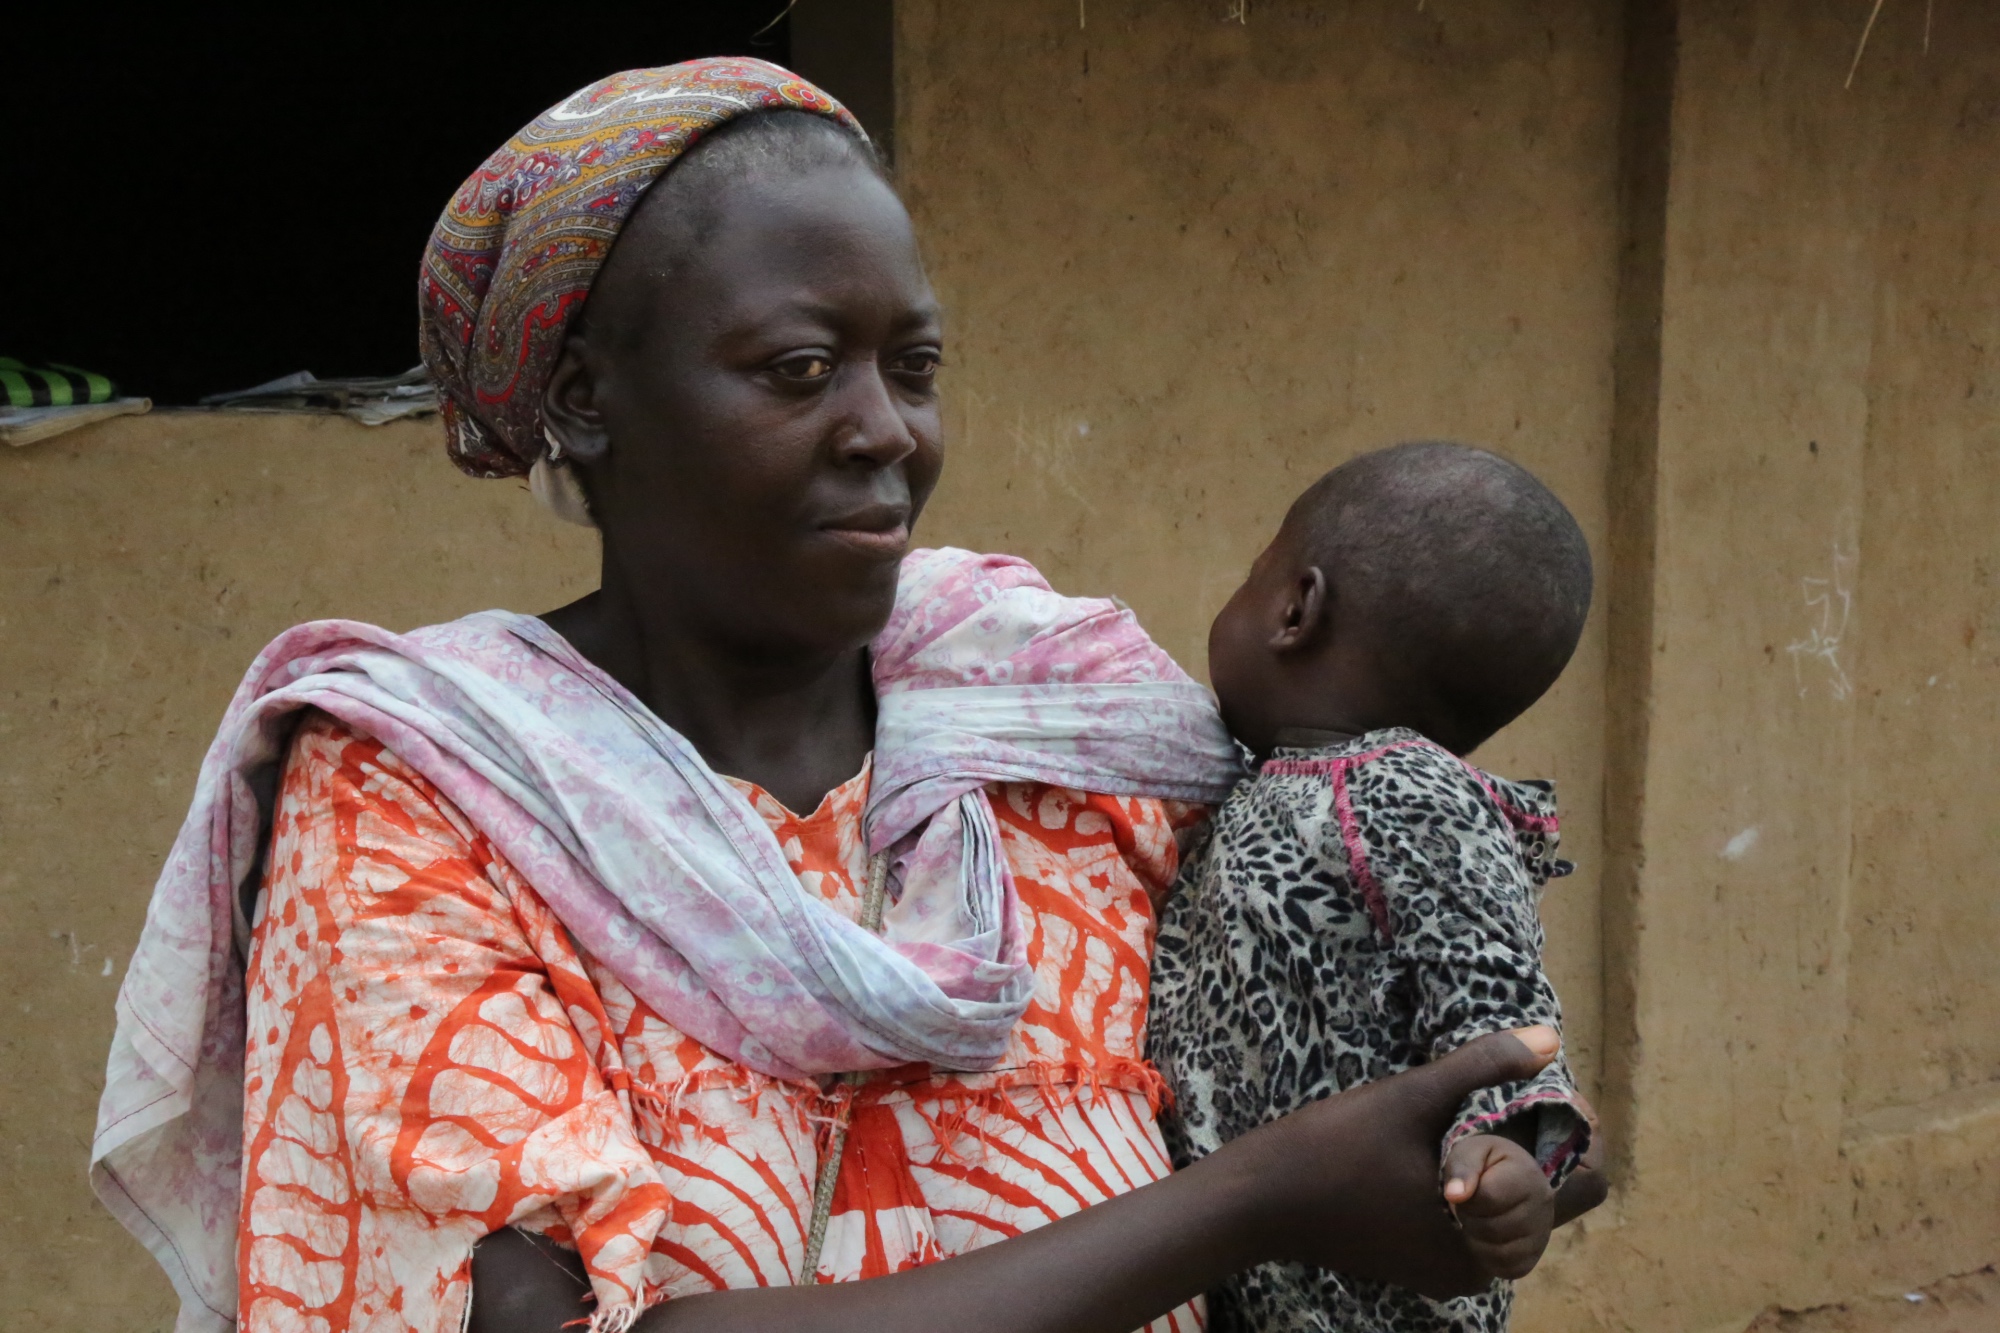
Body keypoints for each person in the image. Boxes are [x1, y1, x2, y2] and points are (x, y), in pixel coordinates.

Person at [90, 62, 1579, 1333]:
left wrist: (1498, 1157)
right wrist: (1249, 1205)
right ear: (592, 399)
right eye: (799, 368)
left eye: (912, 365)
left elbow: (1391, 1076)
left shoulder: (1068, 731)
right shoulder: (429, 794)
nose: (887, 433)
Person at [1148, 442, 1610, 1333]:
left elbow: (1502, 1018)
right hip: (1247, 1280)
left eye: (1254, 575)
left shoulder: (1406, 792)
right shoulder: (1261, 782)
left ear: (1295, 607)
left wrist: (1509, 1157)